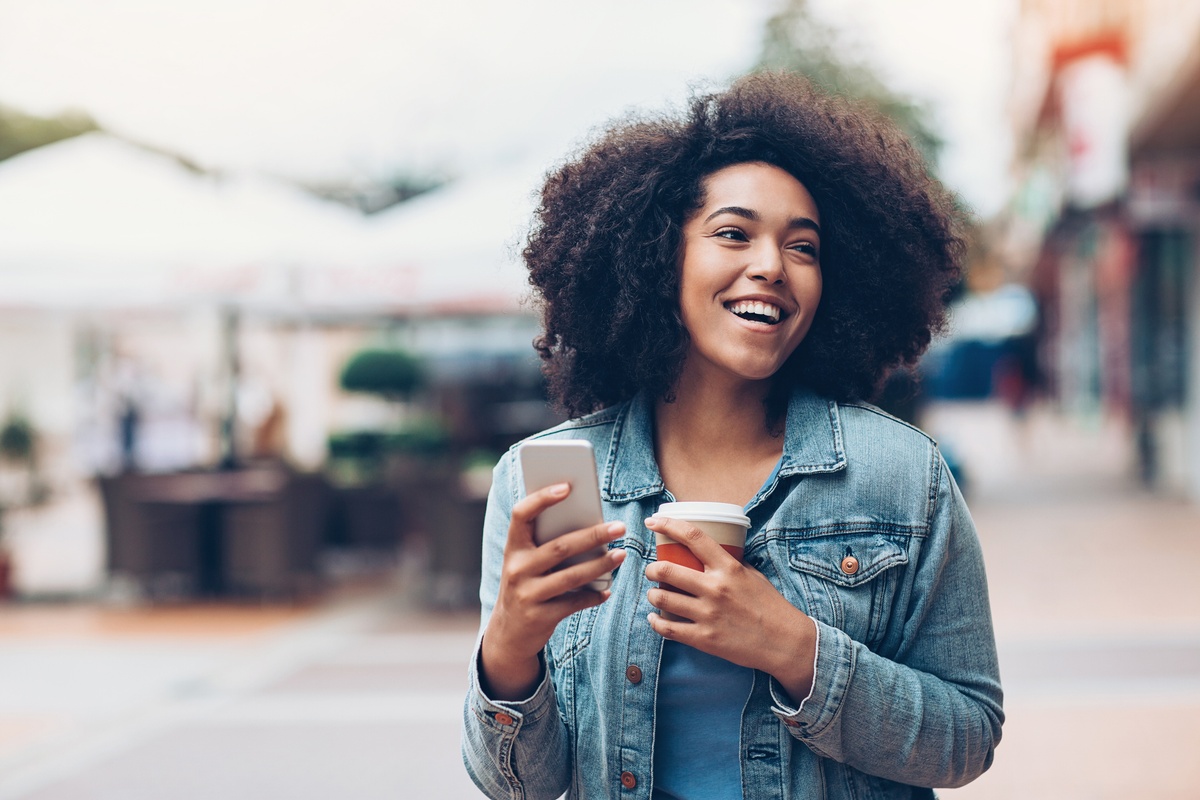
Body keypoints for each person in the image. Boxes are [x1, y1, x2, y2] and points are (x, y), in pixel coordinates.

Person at [462, 71, 1003, 800]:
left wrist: (789, 645)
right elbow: (520, 786)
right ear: (657, 256)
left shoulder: (902, 476)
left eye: (803, 247)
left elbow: (965, 738)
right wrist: (510, 648)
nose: (772, 266)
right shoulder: (547, 481)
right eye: (733, 234)